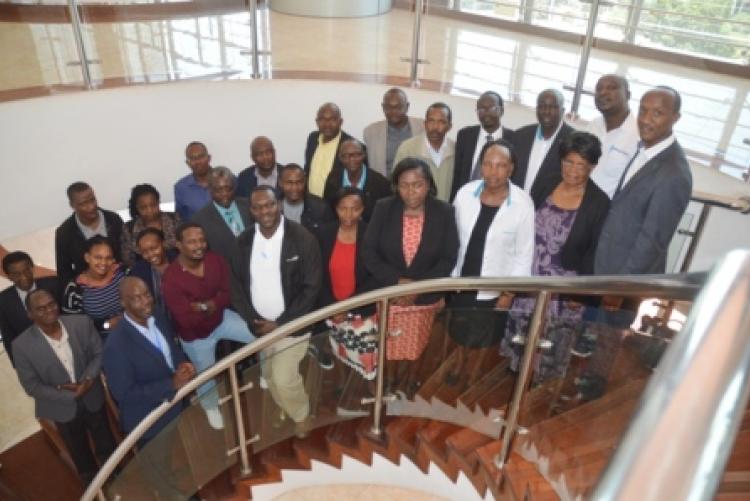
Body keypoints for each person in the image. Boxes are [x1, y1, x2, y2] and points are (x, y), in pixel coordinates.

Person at [502, 132, 610, 380]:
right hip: (530, 277)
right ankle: (517, 373)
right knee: (522, 332)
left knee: (550, 343)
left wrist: (580, 293)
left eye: (581, 165)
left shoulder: (599, 203)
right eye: (568, 162)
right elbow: (524, 223)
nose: (573, 170)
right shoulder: (547, 182)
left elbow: (594, 250)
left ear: (592, 167)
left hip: (563, 288)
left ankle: (539, 385)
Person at [363, 157, 459, 397]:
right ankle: (389, 380)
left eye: (417, 185)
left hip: (423, 296)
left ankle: (411, 382)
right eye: (404, 185)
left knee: (416, 343)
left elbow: (448, 258)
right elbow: (369, 252)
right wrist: (398, 283)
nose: (411, 191)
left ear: (428, 185)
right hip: (389, 292)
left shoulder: (444, 212)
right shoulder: (384, 208)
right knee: (389, 343)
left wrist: (417, 288)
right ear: (396, 186)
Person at [231, 186, 321, 438]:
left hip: (293, 326)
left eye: (269, 205)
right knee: (269, 376)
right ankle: (285, 406)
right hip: (261, 328)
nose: (265, 211)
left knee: (283, 378)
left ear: (279, 205)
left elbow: (311, 287)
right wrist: (252, 320)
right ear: (251, 211)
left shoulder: (303, 238)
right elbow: (235, 285)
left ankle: (301, 415)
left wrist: (281, 323)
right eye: (258, 207)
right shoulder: (244, 240)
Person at [449, 139, 535, 385]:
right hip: (462, 279)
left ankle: (473, 373)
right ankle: (458, 364)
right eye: (487, 164)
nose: (493, 172)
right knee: (460, 328)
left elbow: (524, 254)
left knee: (485, 335)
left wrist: (508, 293)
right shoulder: (465, 194)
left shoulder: (522, 204)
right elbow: (452, 236)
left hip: (494, 287)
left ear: (511, 169)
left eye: (500, 165)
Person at [13, 289, 116, 485]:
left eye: (51, 304)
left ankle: (119, 481)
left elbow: (98, 353)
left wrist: (88, 379)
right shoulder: (21, 346)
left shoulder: (81, 323)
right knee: (82, 458)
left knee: (108, 447)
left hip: (92, 396)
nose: (49, 310)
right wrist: (67, 394)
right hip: (60, 407)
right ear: (30, 315)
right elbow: (31, 386)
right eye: (41, 309)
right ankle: (96, 489)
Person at [162, 223, 255, 429]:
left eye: (202, 240)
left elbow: (229, 292)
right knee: (206, 377)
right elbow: (185, 319)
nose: (199, 245)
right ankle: (210, 406)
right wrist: (213, 303)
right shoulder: (171, 279)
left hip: (222, 319)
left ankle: (268, 375)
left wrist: (206, 306)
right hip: (196, 337)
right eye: (192, 241)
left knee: (259, 334)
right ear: (179, 245)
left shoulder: (216, 260)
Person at [595, 87, 692, 278]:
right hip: (606, 266)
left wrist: (619, 286)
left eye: (657, 113)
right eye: (643, 110)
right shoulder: (644, 150)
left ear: (675, 118)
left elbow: (651, 244)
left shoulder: (674, 174)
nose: (646, 120)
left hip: (623, 280)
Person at [103, 277, 195, 445]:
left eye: (147, 294)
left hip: (179, 404)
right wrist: (171, 384)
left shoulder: (157, 315)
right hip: (150, 422)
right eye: (137, 298)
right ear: (123, 303)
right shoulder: (116, 345)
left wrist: (182, 364)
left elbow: (172, 349)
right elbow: (124, 394)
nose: (146, 302)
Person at [317, 188, 379, 387]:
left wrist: (349, 306)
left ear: (363, 209)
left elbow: (376, 277)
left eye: (355, 208)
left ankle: (369, 393)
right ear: (335, 208)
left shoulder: (372, 234)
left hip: (362, 311)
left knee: (366, 358)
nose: (349, 214)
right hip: (333, 310)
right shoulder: (324, 234)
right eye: (343, 208)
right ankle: (344, 389)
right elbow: (318, 274)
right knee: (340, 351)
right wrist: (333, 308)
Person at [55, 182, 124, 286]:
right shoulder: (64, 233)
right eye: (83, 204)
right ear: (72, 205)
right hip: (88, 289)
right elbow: (64, 273)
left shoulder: (113, 219)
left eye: (92, 200)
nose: (91, 206)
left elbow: (126, 254)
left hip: (120, 281)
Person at [451, 91, 515, 201]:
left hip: (497, 200)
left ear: (501, 110)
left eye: (492, 109)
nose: (486, 113)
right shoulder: (465, 135)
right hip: (465, 198)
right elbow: (457, 174)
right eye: (481, 109)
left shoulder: (514, 139)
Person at [511, 89, 574, 198]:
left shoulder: (573, 140)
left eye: (553, 107)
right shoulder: (520, 135)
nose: (546, 111)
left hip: (551, 205)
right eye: (542, 106)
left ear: (562, 110)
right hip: (517, 202)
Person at [0, 251, 59, 366]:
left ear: (32, 268)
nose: (23, 276)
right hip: (35, 359)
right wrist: (19, 366)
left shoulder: (54, 284)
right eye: (16, 274)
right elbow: (8, 337)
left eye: (26, 270)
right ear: (9, 276)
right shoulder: (3, 301)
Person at [586, 74, 640, 198]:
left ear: (628, 95)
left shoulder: (638, 135)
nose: (603, 93)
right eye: (599, 89)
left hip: (610, 207)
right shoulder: (593, 125)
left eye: (611, 88)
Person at [62, 236, 126, 339]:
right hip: (100, 338)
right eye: (98, 257)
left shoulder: (123, 273)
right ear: (87, 257)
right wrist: (106, 325)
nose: (103, 263)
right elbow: (75, 325)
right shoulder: (74, 289)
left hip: (132, 327)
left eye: (108, 258)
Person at [394, 103, 456, 202]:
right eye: (431, 121)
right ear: (425, 124)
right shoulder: (407, 148)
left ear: (449, 126)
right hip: (414, 208)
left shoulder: (456, 150)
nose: (435, 127)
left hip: (446, 208)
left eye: (441, 122)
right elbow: (396, 184)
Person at [191, 166, 251, 264]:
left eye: (228, 189)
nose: (224, 194)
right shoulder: (200, 219)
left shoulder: (250, 205)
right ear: (210, 190)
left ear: (234, 187)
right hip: (225, 269)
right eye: (218, 190)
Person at [322, 138, 392, 222]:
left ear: (364, 155)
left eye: (357, 154)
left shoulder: (381, 183)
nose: (352, 159)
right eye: (346, 155)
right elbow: (328, 210)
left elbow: (386, 215)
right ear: (340, 158)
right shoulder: (333, 178)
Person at [363, 88, 424, 177]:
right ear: (383, 107)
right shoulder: (371, 132)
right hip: (384, 183)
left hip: (415, 182)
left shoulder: (423, 128)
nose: (393, 111)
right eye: (388, 107)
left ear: (407, 106)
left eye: (399, 107)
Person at [304, 103, 358, 198]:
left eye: (332, 119)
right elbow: (307, 168)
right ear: (317, 121)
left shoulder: (351, 146)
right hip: (311, 201)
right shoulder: (312, 138)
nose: (327, 124)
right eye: (322, 119)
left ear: (340, 121)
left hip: (336, 202)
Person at [120, 183, 181, 268]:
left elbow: (185, 248)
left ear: (158, 202)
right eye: (143, 207)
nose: (149, 210)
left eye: (153, 205)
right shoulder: (129, 229)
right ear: (137, 208)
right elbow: (128, 260)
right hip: (145, 272)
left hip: (178, 267)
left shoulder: (174, 219)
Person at [128, 228, 178, 318]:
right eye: (144, 252)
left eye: (154, 248)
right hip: (158, 319)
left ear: (163, 243)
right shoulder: (138, 271)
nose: (150, 254)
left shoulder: (179, 260)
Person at [279, 163, 335, 237]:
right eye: (289, 183)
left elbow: (329, 237)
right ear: (280, 183)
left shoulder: (321, 208)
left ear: (305, 182)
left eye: (299, 182)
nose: (294, 188)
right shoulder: (273, 206)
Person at [174, 141, 213, 220]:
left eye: (201, 156)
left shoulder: (225, 179)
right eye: (192, 158)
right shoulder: (180, 188)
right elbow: (180, 218)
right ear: (187, 163)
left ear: (209, 158)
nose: (198, 162)